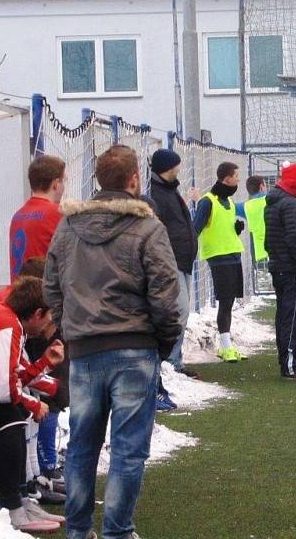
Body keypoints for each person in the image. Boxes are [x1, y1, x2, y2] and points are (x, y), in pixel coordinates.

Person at [43, 145, 182, 539]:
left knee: (83, 446)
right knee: (128, 450)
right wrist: (163, 341)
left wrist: (69, 326)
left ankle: (79, 529)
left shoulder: (69, 227)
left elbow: (51, 286)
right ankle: (118, 531)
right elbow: (166, 293)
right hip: (134, 349)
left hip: (85, 350)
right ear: (134, 180)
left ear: (98, 181)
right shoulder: (148, 227)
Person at [0, 276, 65, 534]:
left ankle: (19, 498)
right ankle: (10, 506)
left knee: (14, 410)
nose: (50, 324)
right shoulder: (6, 324)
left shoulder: (9, 319)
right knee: (11, 414)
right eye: (49, 317)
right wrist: (34, 406)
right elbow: (3, 390)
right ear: (37, 313)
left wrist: (45, 362)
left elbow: (16, 374)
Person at [148, 148, 200, 412]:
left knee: (183, 310)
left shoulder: (169, 191)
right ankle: (169, 362)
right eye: (176, 165)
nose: (179, 169)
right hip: (172, 262)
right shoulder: (157, 195)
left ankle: (174, 361)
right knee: (178, 311)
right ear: (167, 167)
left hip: (182, 260)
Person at [264, 162, 296, 381]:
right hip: (291, 270)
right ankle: (291, 365)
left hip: (281, 267)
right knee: (295, 316)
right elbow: (295, 237)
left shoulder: (275, 203)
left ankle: (289, 361)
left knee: (286, 315)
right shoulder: (291, 205)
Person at [194, 162, 247, 363]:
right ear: (226, 178)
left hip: (234, 254)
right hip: (218, 257)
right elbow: (196, 228)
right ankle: (225, 347)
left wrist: (236, 229)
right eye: (236, 176)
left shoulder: (230, 202)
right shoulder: (208, 201)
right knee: (225, 302)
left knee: (230, 301)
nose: (238, 180)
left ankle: (227, 345)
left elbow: (222, 226)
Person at [9, 155, 67, 281]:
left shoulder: (17, 216)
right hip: (42, 294)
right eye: (64, 181)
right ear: (56, 184)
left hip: (19, 292)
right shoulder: (57, 213)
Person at [243, 175, 268, 263]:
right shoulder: (270, 201)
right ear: (261, 187)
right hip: (276, 248)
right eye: (265, 185)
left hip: (260, 253)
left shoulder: (246, 206)